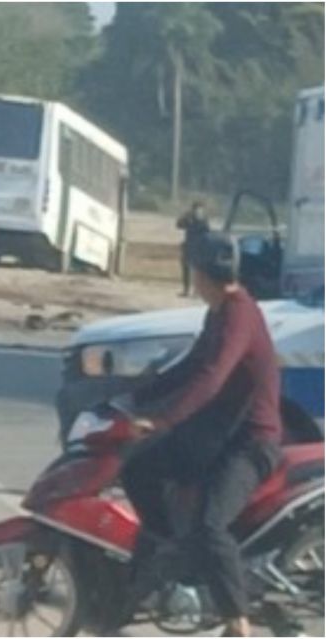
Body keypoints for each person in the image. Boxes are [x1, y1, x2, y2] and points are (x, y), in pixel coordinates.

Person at [118, 231, 281, 637]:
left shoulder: (239, 315)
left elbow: (211, 377)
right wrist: (135, 395)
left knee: (210, 525)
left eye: (193, 271)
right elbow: (192, 365)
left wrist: (164, 420)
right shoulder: (219, 313)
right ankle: (171, 559)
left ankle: (237, 621)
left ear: (202, 275)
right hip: (217, 436)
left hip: (250, 444)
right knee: (138, 468)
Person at [176, 201, 210, 297]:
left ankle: (197, 291)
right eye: (197, 209)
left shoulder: (204, 219)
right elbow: (179, 225)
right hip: (189, 245)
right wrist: (185, 217)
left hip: (198, 246)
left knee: (197, 269)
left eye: (200, 209)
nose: (199, 211)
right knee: (186, 268)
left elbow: (206, 230)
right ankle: (186, 290)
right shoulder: (189, 217)